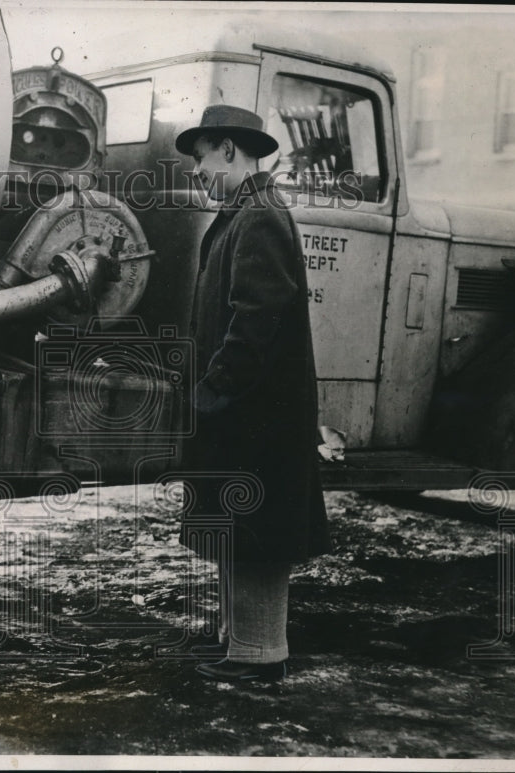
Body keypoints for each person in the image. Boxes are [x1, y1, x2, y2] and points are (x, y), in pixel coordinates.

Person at [174, 105, 332, 682]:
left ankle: (260, 657)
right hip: (246, 411)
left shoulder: (259, 215)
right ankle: (237, 641)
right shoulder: (244, 211)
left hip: (257, 413)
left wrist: (212, 392)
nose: (195, 171)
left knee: (257, 535)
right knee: (239, 528)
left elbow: (253, 322)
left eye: (200, 157)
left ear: (231, 151)